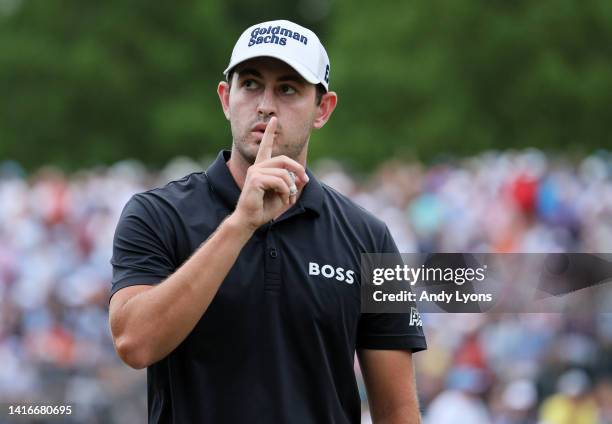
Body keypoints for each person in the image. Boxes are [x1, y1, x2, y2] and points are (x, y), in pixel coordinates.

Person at [109, 19, 427, 423]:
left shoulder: (370, 237)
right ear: (226, 98)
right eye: (251, 84)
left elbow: (398, 411)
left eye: (288, 89)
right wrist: (240, 224)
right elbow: (134, 343)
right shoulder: (156, 214)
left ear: (322, 110)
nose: (265, 105)